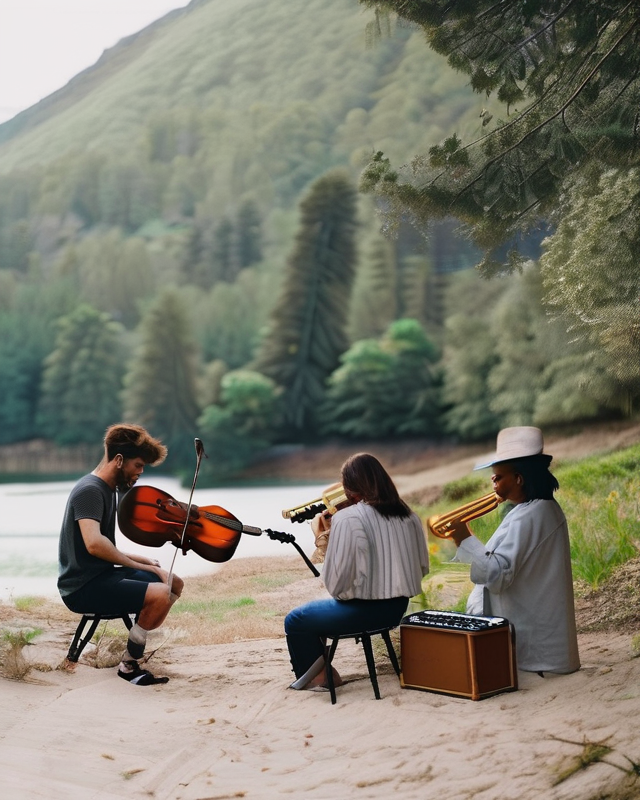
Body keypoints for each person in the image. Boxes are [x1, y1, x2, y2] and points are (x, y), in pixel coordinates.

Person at [284, 453, 429, 690]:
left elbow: (335, 585)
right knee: (312, 614)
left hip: (363, 613)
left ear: (350, 489)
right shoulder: (409, 516)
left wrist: (326, 540)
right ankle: (321, 671)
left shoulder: (348, 519)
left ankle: (321, 678)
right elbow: (422, 568)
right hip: (396, 610)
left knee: (296, 619)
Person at [58, 423, 184, 686]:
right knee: (161, 591)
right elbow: (94, 545)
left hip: (102, 576)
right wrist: (147, 569)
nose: (140, 472)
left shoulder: (108, 488)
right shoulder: (90, 490)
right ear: (118, 460)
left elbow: (102, 545)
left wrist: (142, 560)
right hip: (82, 587)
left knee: (174, 583)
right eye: (138, 465)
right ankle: (128, 665)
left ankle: (138, 636)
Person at [449, 426, 580, 675]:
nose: (493, 481)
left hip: (537, 660)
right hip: (544, 643)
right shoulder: (536, 509)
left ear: (519, 479)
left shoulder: (531, 515)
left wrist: (465, 537)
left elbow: (499, 575)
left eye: (498, 477)